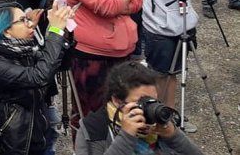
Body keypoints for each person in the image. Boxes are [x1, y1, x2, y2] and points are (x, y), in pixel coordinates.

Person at [64, 0, 144, 131]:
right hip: (92, 56)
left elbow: (138, 0)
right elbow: (105, 5)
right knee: (92, 115)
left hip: (123, 51)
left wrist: (119, 1)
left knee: (125, 111)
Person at [133, 0, 215, 122]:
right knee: (161, 75)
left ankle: (169, 115)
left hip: (182, 23)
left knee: (174, 73)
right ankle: (159, 117)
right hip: (160, 27)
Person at [0, 1, 71, 155]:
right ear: (5, 31)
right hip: (16, 144)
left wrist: (66, 27)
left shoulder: (21, 49)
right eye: (23, 20)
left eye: (27, 19)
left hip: (36, 134)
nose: (30, 24)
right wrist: (55, 31)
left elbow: (60, 63)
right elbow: (39, 76)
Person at [75, 61, 205, 155]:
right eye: (142, 101)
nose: (151, 107)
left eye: (153, 100)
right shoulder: (93, 129)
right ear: (117, 101)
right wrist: (126, 136)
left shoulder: (157, 122)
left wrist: (174, 136)